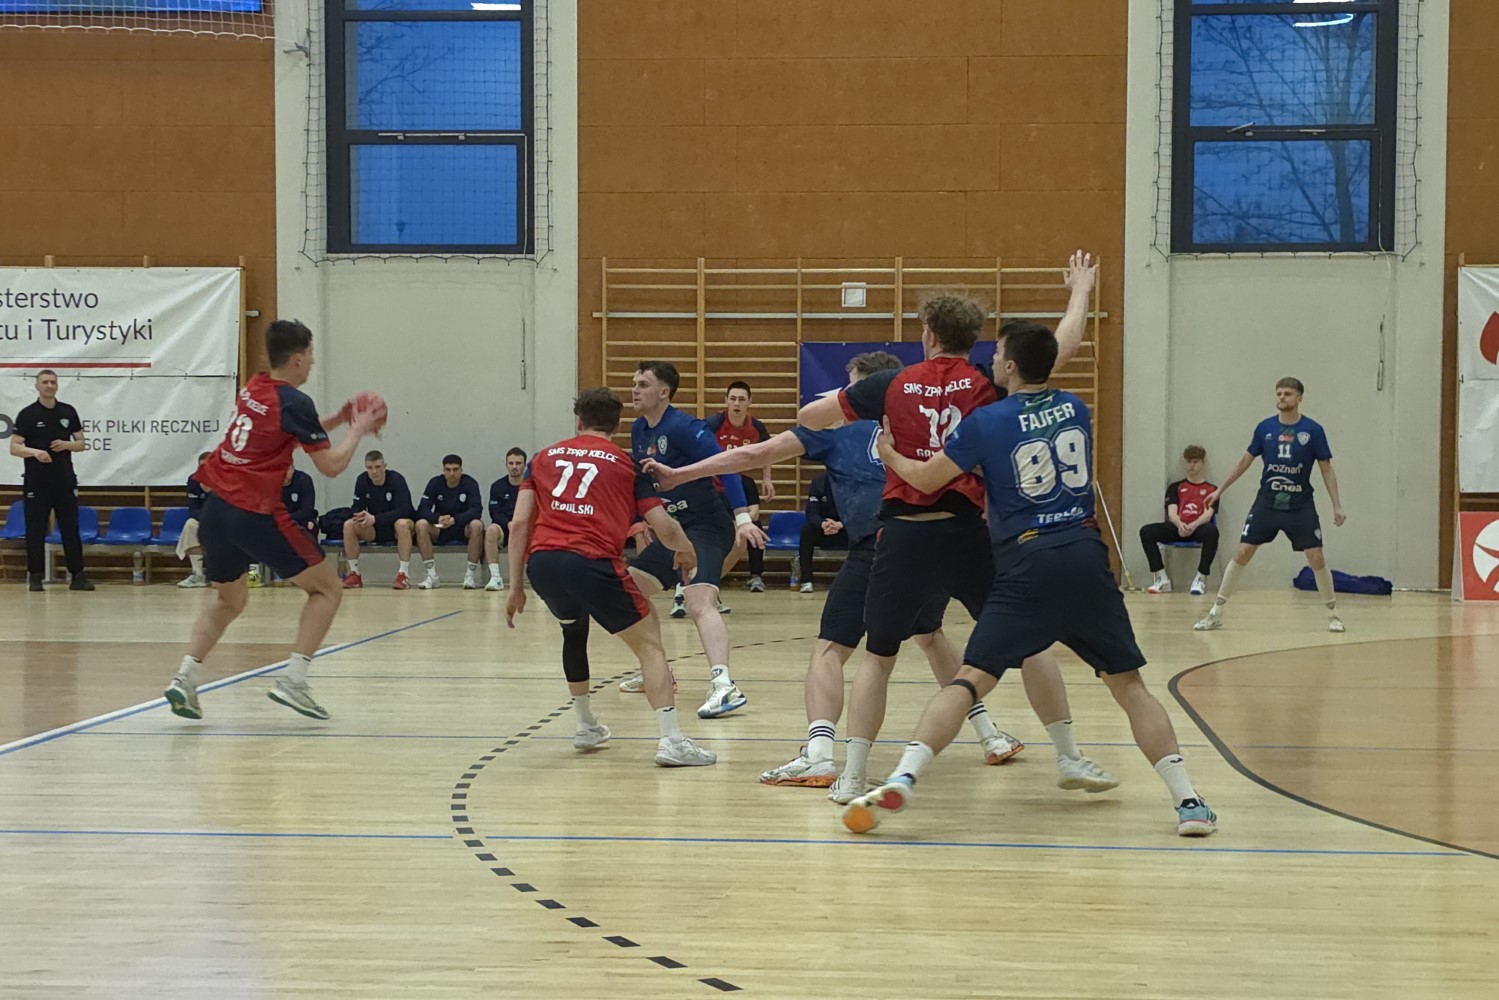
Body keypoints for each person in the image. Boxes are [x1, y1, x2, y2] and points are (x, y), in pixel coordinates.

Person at [843, 321, 1217, 838]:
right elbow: (1055, 361)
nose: (993, 360)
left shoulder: (987, 422)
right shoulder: (1077, 408)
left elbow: (927, 478)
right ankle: (1189, 802)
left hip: (1025, 563)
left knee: (968, 680)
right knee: (1129, 686)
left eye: (999, 354)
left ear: (1012, 365)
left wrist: (888, 454)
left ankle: (903, 777)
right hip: (1084, 556)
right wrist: (1080, 295)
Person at [798, 252, 1116, 805]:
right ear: (975, 339)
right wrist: (1080, 292)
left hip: (903, 535)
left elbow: (810, 419)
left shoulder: (892, 383)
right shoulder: (988, 382)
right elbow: (1061, 348)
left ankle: (852, 775)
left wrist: (851, 408)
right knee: (1032, 643)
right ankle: (1068, 754)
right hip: (969, 534)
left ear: (927, 333)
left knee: (879, 656)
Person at [645, 351, 1025, 788]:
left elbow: (755, 453)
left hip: (882, 548)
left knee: (831, 650)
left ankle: (820, 756)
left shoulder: (839, 434)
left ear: (861, 391)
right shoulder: (922, 428)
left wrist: (681, 474)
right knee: (930, 635)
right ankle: (990, 734)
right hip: (941, 542)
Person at [162, 318, 384, 722]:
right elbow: (331, 465)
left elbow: (290, 430)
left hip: (216, 511)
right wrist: (358, 430)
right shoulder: (295, 402)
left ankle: (185, 678)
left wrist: (337, 419)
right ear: (297, 359)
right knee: (328, 589)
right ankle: (293, 680)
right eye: (311, 356)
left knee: (229, 600)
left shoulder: (256, 387)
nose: (312, 363)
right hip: (254, 511)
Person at [506, 388, 716, 767]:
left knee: (573, 632)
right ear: (617, 425)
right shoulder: (626, 463)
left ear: (579, 421)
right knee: (650, 646)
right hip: (590, 562)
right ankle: (671, 741)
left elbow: (519, 523)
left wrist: (515, 587)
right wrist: (685, 549)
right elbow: (663, 525)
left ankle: (585, 725)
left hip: (544, 564)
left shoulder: (542, 458)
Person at [623, 360, 766, 718]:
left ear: (664, 392)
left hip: (706, 525)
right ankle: (657, 670)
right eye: (634, 383)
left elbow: (727, 465)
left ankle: (724, 686)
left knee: (698, 601)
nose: (634, 390)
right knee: (627, 593)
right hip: (674, 530)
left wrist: (742, 518)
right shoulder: (639, 429)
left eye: (643, 384)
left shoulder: (684, 427)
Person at [1194, 378, 1347, 633]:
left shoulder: (1313, 430)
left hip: (1300, 504)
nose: (1282, 397)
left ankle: (1333, 614)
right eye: (1279, 393)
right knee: (1243, 551)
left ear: (1299, 398)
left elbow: (1326, 468)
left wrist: (1337, 506)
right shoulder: (1265, 428)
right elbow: (1245, 461)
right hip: (1267, 502)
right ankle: (1216, 612)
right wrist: (1220, 490)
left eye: (1287, 393)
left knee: (1316, 556)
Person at [10, 369, 92, 591]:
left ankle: (77, 576)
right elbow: (14, 447)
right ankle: (35, 576)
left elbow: (81, 443)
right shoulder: (28, 414)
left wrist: (67, 445)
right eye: (45, 382)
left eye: (52, 382)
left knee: (70, 527)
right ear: (37, 386)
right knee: (35, 528)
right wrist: (35, 452)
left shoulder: (67, 411)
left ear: (57, 386)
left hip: (64, 479)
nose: (49, 386)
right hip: (37, 481)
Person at [705, 381, 774, 592]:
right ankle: (697, 581)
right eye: (733, 399)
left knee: (749, 530)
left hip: (735, 486)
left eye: (741, 399)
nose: (736, 403)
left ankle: (750, 576)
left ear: (749, 402)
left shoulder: (756, 427)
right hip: (712, 487)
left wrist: (767, 478)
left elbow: (768, 452)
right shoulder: (713, 424)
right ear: (726, 401)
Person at [1139, 444, 1218, 596]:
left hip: (1198, 528)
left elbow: (1208, 515)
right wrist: (1180, 524)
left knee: (1212, 531)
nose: (1191, 465)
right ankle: (1161, 578)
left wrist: (1193, 525)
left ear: (1202, 463)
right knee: (1147, 532)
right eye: (1188, 461)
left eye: (1195, 462)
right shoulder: (1175, 487)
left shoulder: (1212, 490)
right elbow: (1172, 512)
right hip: (1178, 527)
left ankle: (1200, 578)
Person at [341, 450, 416, 590]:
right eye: (370, 468)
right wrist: (359, 515)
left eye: (377, 467)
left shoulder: (396, 479)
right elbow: (357, 506)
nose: (374, 472)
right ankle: (354, 574)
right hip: (374, 528)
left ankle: (403, 575)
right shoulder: (362, 480)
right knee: (349, 525)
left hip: (397, 528)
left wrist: (376, 518)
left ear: (384, 466)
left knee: (402, 524)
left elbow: (405, 509)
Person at [414, 454, 483, 590]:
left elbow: (476, 510)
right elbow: (422, 509)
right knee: (421, 525)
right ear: (443, 470)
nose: (452, 473)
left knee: (477, 525)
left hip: (462, 528)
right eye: (448, 469)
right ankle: (432, 575)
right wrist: (438, 518)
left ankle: (470, 576)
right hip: (441, 528)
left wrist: (454, 520)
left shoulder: (470, 483)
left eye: (455, 469)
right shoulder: (435, 483)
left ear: (461, 470)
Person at [483, 447, 527, 592]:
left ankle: (539, 578)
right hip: (506, 528)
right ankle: (496, 578)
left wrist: (521, 524)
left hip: (526, 528)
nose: (514, 467)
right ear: (506, 465)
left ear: (524, 466)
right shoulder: (497, 486)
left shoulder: (531, 486)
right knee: (491, 530)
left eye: (518, 463)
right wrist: (509, 524)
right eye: (511, 463)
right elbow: (494, 512)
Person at [798, 472, 847, 594]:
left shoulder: (855, 482)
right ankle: (806, 581)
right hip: (824, 530)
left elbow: (860, 512)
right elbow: (811, 512)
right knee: (807, 531)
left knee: (867, 531)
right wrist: (823, 524)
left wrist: (841, 524)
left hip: (846, 529)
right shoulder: (818, 483)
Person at [177, 451, 212, 589]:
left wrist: (211, 492)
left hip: (226, 521)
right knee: (190, 525)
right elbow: (193, 508)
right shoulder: (193, 480)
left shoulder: (226, 479)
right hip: (204, 520)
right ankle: (198, 574)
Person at [282, 465, 317, 534]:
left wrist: (285, 518)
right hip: (278, 520)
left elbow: (307, 510)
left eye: (287, 469)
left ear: (292, 468)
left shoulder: (303, 480)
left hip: (300, 519)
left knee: (309, 525)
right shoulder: (271, 482)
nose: (284, 473)